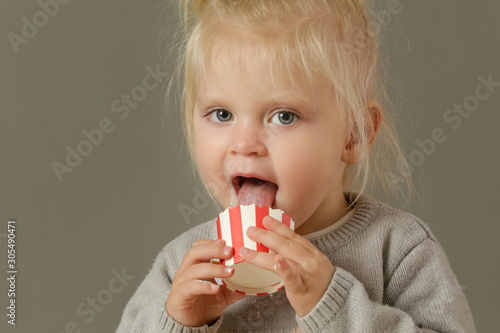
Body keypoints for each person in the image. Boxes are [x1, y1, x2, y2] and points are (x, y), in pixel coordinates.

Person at [117, 0, 476, 331]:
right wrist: (178, 323)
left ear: (355, 133)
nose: (244, 144)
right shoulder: (184, 263)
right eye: (221, 114)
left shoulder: (398, 250)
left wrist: (334, 309)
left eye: (284, 116)